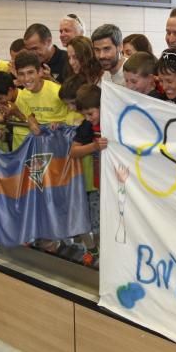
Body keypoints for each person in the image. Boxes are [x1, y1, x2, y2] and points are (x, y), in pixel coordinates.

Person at [69, 84, 106, 267]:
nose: (88, 118)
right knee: (87, 220)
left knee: (102, 223)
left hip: (108, 185)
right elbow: (73, 151)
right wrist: (94, 146)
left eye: (91, 114)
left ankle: (103, 253)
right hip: (89, 184)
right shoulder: (86, 127)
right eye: (84, 115)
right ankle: (93, 249)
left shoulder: (112, 122)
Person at [14, 51, 72, 136]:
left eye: (30, 72)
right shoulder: (22, 96)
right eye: (21, 74)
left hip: (65, 137)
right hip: (44, 140)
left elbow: (77, 115)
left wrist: (61, 124)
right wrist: (31, 122)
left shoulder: (58, 91)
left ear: (40, 72)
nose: (26, 79)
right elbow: (30, 115)